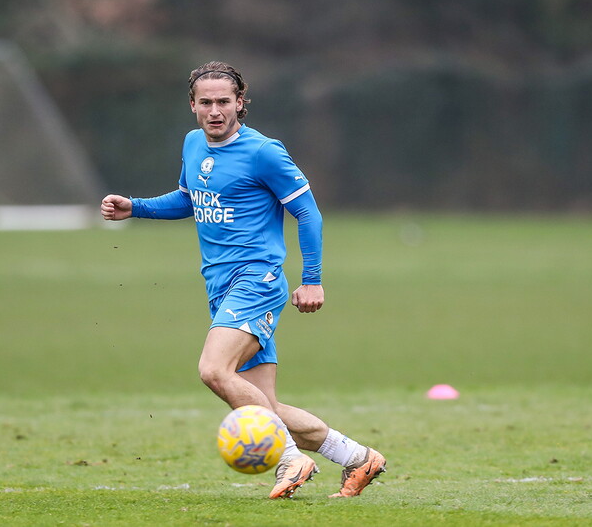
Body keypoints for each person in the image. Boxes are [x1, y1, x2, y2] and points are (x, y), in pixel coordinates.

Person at [100, 61, 386, 500]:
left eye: (224, 101)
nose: (215, 110)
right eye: (206, 102)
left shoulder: (264, 152)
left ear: (240, 104)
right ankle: (358, 457)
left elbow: (308, 212)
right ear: (193, 105)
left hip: (257, 280)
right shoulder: (194, 144)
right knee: (265, 406)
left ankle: (290, 460)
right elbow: (190, 198)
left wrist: (313, 279)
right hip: (220, 286)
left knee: (214, 370)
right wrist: (134, 207)